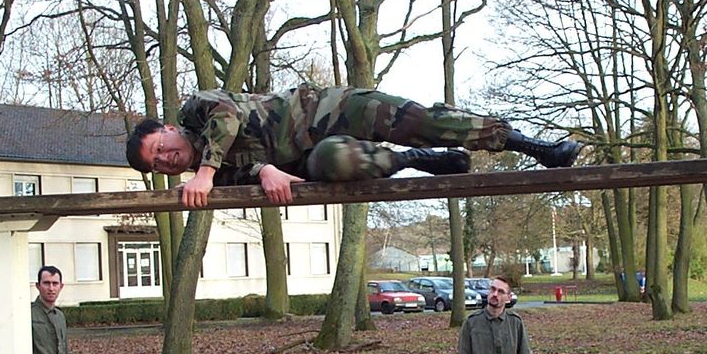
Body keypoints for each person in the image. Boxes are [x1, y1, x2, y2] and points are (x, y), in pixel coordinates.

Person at [125, 85, 581, 208]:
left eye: (159, 147)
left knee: (418, 119)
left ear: (167, 128)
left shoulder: (196, 109)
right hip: (312, 157)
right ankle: (417, 161)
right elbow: (244, 174)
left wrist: (205, 171)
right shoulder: (210, 180)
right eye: (159, 165)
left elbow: (228, 115)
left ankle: (534, 146)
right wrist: (263, 171)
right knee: (340, 162)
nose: (166, 159)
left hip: (326, 111)